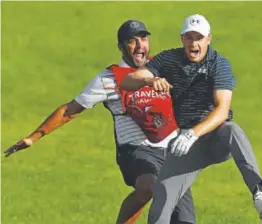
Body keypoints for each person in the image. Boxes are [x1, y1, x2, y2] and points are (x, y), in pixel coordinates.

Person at [4, 20, 196, 224]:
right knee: (156, 187)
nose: (140, 46)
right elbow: (70, 109)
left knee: (183, 218)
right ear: (121, 47)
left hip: (171, 151)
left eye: (143, 38)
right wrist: (33, 138)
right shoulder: (108, 79)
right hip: (134, 151)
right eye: (132, 41)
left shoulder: (163, 66)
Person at [120, 14, 262, 223]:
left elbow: (222, 111)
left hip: (215, 137)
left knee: (233, 130)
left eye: (199, 38)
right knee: (161, 206)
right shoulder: (169, 59)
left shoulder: (219, 64)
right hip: (187, 145)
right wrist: (152, 80)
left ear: (208, 39)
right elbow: (128, 81)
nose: (193, 43)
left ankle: (258, 193)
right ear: (182, 39)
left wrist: (192, 134)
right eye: (189, 37)